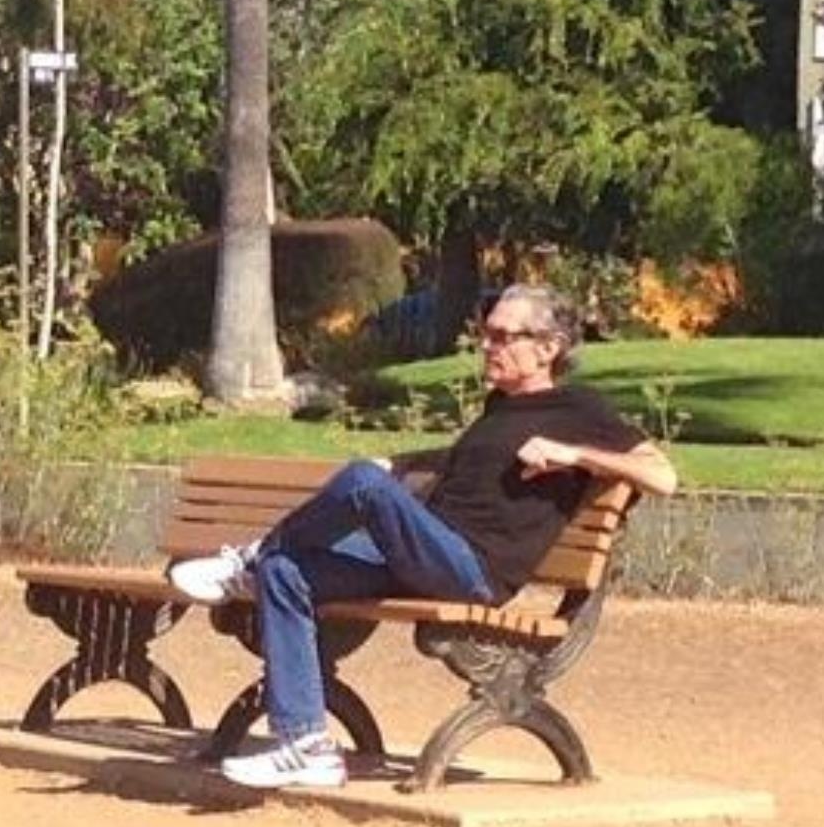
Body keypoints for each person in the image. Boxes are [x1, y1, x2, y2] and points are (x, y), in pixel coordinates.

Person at [168, 283, 678, 790]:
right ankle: (305, 747)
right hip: (426, 555)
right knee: (287, 574)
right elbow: (464, 464)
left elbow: (662, 475)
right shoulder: (500, 407)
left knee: (362, 486)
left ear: (548, 348)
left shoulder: (578, 409)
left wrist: (575, 455)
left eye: (502, 336)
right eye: (486, 333)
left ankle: (248, 562)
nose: (486, 345)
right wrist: (401, 462)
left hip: (472, 570)